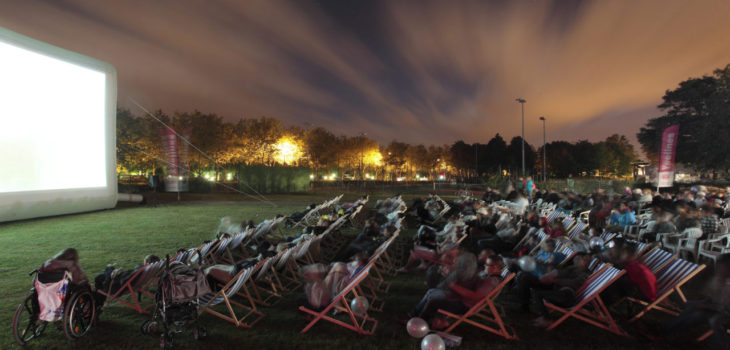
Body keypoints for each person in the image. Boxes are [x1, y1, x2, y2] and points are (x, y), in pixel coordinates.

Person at [663, 254, 730, 348]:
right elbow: (711, 297)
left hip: (723, 313)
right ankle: (671, 329)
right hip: (714, 308)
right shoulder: (717, 280)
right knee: (690, 305)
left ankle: (721, 344)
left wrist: (705, 306)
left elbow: (725, 308)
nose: (719, 270)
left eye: (722, 268)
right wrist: (704, 302)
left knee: (702, 316)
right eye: (719, 267)